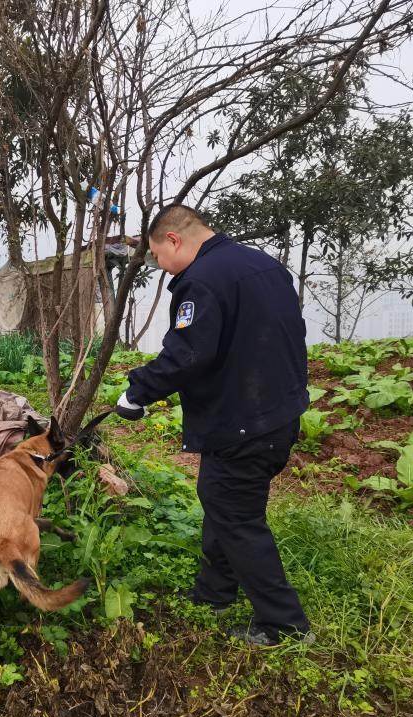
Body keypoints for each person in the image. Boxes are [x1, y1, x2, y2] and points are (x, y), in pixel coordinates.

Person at [115, 204, 313, 645]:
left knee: (236, 515)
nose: (161, 267)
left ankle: (284, 625)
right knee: (223, 500)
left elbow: (188, 353)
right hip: (277, 412)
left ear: (174, 240)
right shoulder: (263, 265)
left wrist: (137, 391)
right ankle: (214, 593)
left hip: (244, 419)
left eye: (157, 257)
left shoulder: (201, 280)